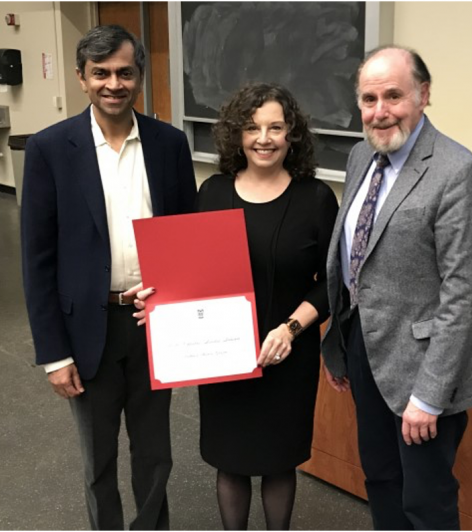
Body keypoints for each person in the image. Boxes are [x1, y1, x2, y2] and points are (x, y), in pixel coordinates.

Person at [136, 82, 337, 530]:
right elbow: (192, 273)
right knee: (231, 462)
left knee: (280, 463)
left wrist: (290, 329)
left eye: (275, 127)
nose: (264, 138)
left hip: (288, 353)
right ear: (236, 135)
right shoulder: (212, 192)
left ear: (292, 135)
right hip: (223, 354)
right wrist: (159, 298)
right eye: (252, 127)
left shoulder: (315, 199)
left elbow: (333, 283)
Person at [20, 25, 196, 530]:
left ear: (139, 76)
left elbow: (185, 236)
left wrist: (183, 311)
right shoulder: (51, 149)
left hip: (152, 322)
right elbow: (37, 259)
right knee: (97, 460)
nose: (113, 84)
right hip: (85, 331)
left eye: (124, 72)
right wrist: (54, 354)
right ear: (81, 78)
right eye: (101, 73)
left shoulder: (169, 145)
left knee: (154, 452)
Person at [320, 45, 472, 530]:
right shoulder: (361, 156)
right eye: (369, 99)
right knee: (380, 480)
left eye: (393, 96)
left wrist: (430, 396)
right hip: (366, 349)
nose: (380, 112)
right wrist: (341, 344)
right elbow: (354, 254)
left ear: (423, 94)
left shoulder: (457, 172)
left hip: (424, 367)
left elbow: (464, 296)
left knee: (425, 499)